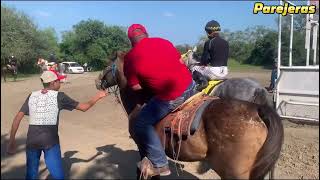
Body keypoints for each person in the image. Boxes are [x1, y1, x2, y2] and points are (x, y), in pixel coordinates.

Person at [123, 24, 196, 176]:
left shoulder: (130, 57)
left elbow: (136, 87)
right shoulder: (164, 41)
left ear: (131, 40)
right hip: (191, 85)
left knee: (141, 123)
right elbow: (181, 62)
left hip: (173, 96)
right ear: (146, 34)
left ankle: (160, 163)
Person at [6, 70, 108, 179]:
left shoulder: (31, 96)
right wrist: (98, 96)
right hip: (50, 142)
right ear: (52, 83)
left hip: (32, 141)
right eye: (59, 81)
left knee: (31, 175)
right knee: (58, 176)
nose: (61, 82)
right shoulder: (60, 96)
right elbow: (84, 107)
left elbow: (17, 118)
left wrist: (12, 141)